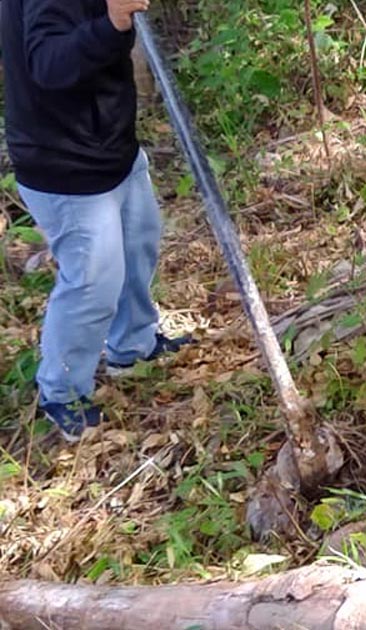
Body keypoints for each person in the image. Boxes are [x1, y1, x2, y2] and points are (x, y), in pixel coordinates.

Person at [2, 0, 191, 441]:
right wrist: (112, 23)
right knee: (92, 281)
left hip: (110, 148)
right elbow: (48, 64)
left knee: (139, 243)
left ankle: (133, 345)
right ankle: (61, 392)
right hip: (66, 163)